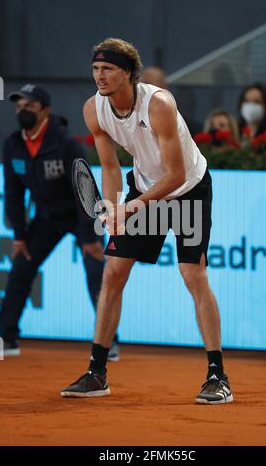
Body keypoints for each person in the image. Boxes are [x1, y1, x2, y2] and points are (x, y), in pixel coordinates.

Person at [61, 38, 233, 404]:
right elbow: (109, 166)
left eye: (107, 69)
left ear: (128, 73)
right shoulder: (94, 109)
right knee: (113, 272)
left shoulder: (159, 104)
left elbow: (175, 174)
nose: (99, 76)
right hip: (143, 189)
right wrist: (110, 206)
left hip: (187, 189)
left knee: (193, 274)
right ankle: (96, 372)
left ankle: (217, 376)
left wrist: (132, 207)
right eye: (95, 69)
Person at [0, 84, 119, 361]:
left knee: (96, 273)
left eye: (29, 105)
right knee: (21, 267)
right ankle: (6, 337)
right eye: (18, 106)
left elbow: (85, 189)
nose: (22, 110)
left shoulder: (65, 143)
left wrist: (89, 236)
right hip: (47, 218)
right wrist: (19, 235)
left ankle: (108, 342)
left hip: (82, 216)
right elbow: (14, 194)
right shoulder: (13, 144)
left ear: (45, 111)